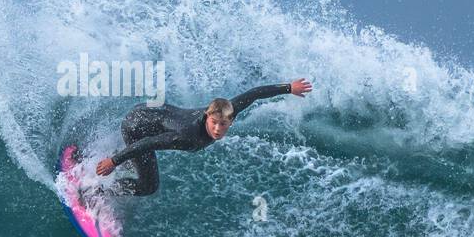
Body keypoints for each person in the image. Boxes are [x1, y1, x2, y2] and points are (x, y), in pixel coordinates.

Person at [95, 78, 313, 196]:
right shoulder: (186, 136)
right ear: (207, 116)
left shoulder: (227, 109)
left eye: (223, 125)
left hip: (152, 112)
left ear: (231, 119)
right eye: (214, 123)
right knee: (148, 186)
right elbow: (147, 143)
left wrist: (288, 88)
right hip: (138, 126)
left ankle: (109, 164)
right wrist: (113, 162)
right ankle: (98, 191)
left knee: (138, 164)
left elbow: (254, 94)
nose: (218, 129)